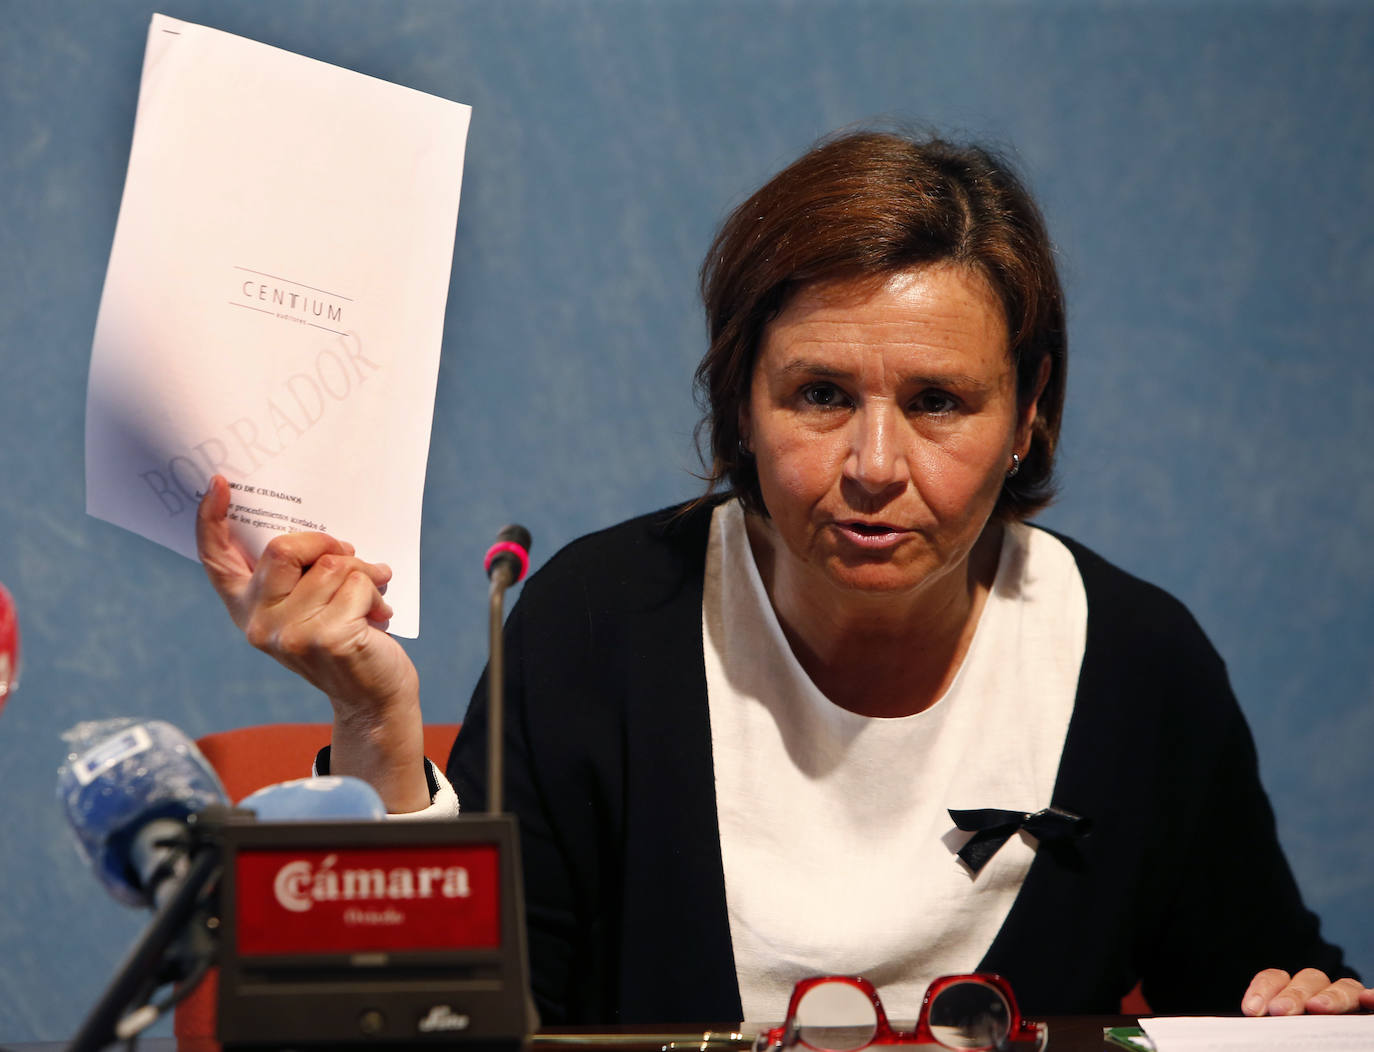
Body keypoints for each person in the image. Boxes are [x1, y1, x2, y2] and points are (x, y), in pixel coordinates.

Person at [196, 129, 1374, 1025]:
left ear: (1029, 415)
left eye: (938, 403)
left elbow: (1264, 986)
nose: (873, 465)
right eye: (819, 395)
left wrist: (1304, 1014)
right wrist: (373, 716)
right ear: (740, 407)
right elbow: (436, 1022)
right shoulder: (600, 623)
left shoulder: (1136, 662)